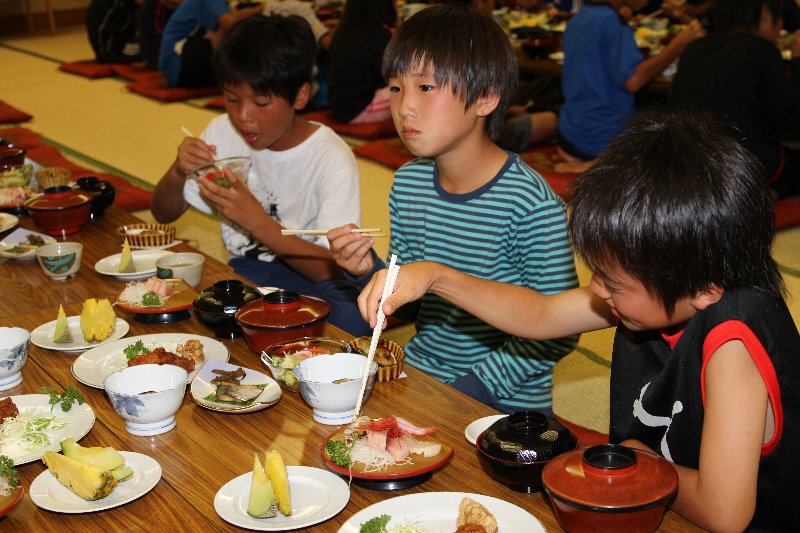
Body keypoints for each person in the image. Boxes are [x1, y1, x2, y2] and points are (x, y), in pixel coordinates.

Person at [359, 110, 800, 532]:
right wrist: (434, 276)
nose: (599, 291)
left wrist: (635, 456)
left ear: (704, 288)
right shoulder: (668, 289)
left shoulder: (732, 344)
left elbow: (724, 513)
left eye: (613, 282)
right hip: (658, 500)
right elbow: (541, 314)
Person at [327, 5, 579, 414]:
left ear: (485, 97)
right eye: (395, 88)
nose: (405, 107)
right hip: (422, 376)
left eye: (425, 87)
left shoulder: (531, 204)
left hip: (503, 402)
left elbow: (560, 330)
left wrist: (468, 391)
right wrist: (365, 270)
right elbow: (412, 300)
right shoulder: (409, 183)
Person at [151, 14, 368, 335]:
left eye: (261, 102)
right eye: (231, 99)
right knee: (184, 302)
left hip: (312, 278)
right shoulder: (222, 132)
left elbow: (333, 269)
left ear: (300, 96)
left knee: (354, 318)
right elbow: (162, 213)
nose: (243, 116)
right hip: (246, 271)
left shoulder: (330, 156)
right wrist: (178, 170)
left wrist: (255, 220)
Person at [670, 0, 800, 199]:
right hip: (741, 165)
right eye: (780, 17)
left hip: (690, 162)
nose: (781, 24)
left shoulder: (694, 48)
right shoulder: (761, 49)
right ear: (765, 14)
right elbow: (793, 117)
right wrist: (798, 60)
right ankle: (763, 195)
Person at [555, 0, 704, 172]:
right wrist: (679, 44)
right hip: (601, 138)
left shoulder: (580, 16)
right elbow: (633, 81)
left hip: (570, 132)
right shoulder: (613, 22)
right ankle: (598, 165)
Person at [157, 0, 261, 87]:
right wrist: (259, 10)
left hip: (174, 69)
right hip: (178, 65)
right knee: (223, 31)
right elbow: (229, 22)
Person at [327, 0, 397, 124]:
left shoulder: (344, 30)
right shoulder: (380, 34)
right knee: (417, 89)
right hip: (360, 108)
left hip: (340, 105)